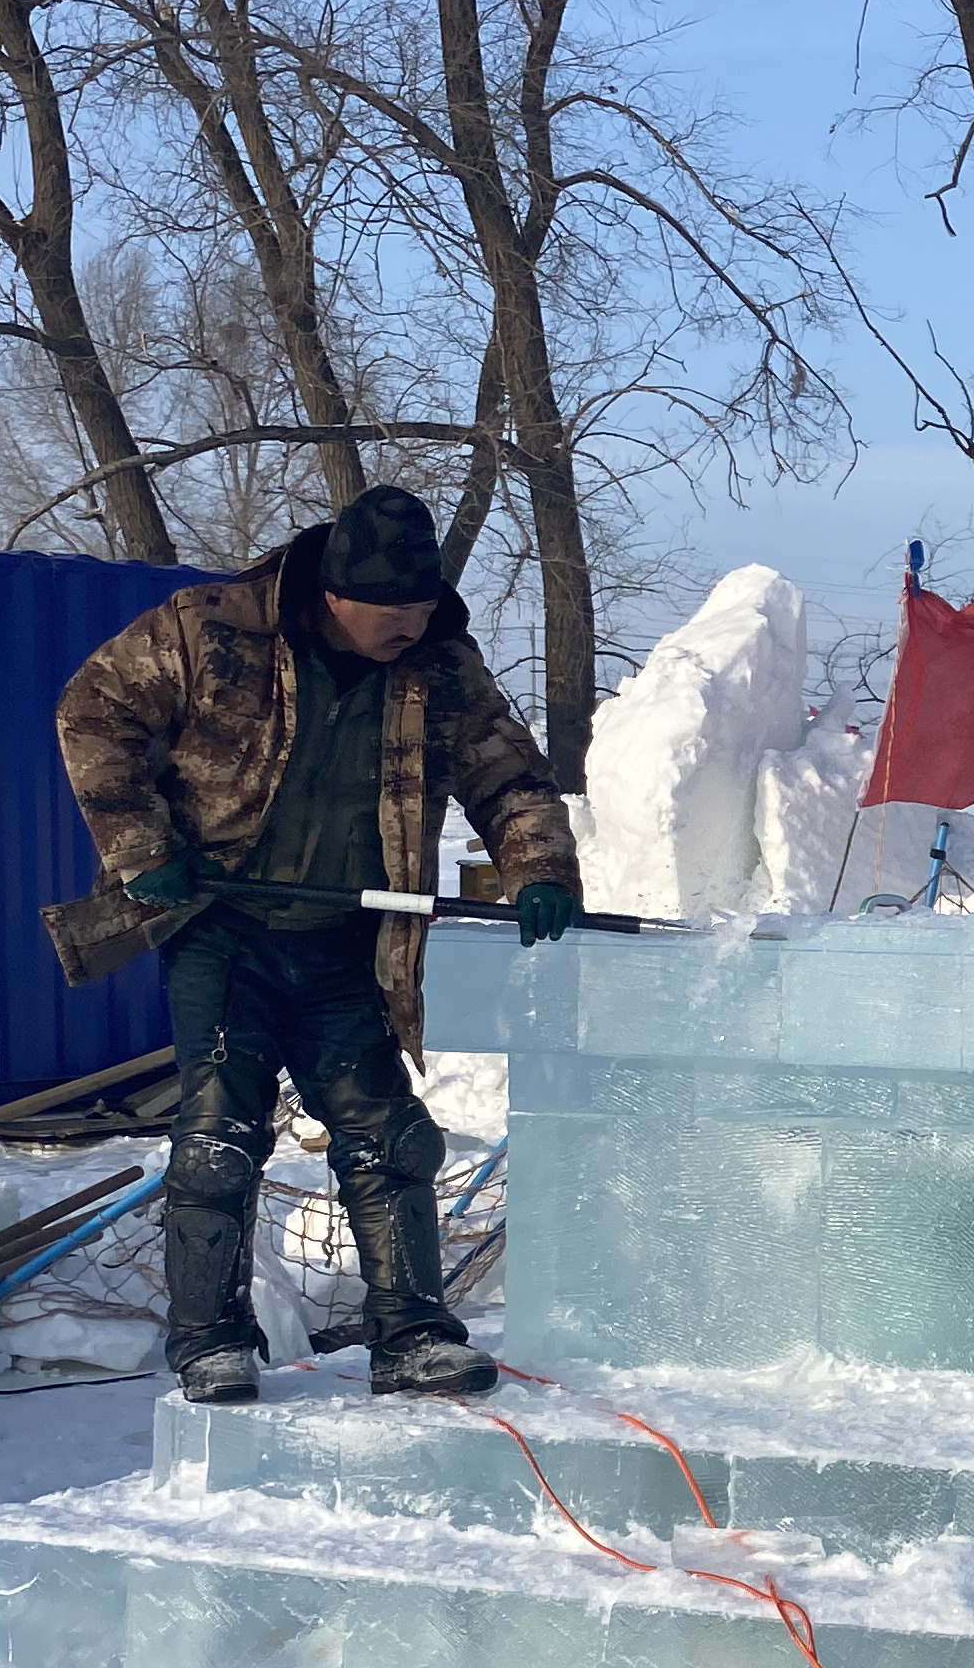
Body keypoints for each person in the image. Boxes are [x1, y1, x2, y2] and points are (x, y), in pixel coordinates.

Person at [58, 485, 582, 1406]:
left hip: (351, 934)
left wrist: (537, 865)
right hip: (222, 925)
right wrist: (142, 848)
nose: (410, 626)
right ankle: (211, 1343)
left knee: (387, 1135)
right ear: (336, 593)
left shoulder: (440, 666)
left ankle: (414, 1335)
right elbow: (93, 710)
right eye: (394, 610)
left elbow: (512, 776)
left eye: (425, 608)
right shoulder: (211, 631)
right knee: (219, 1132)